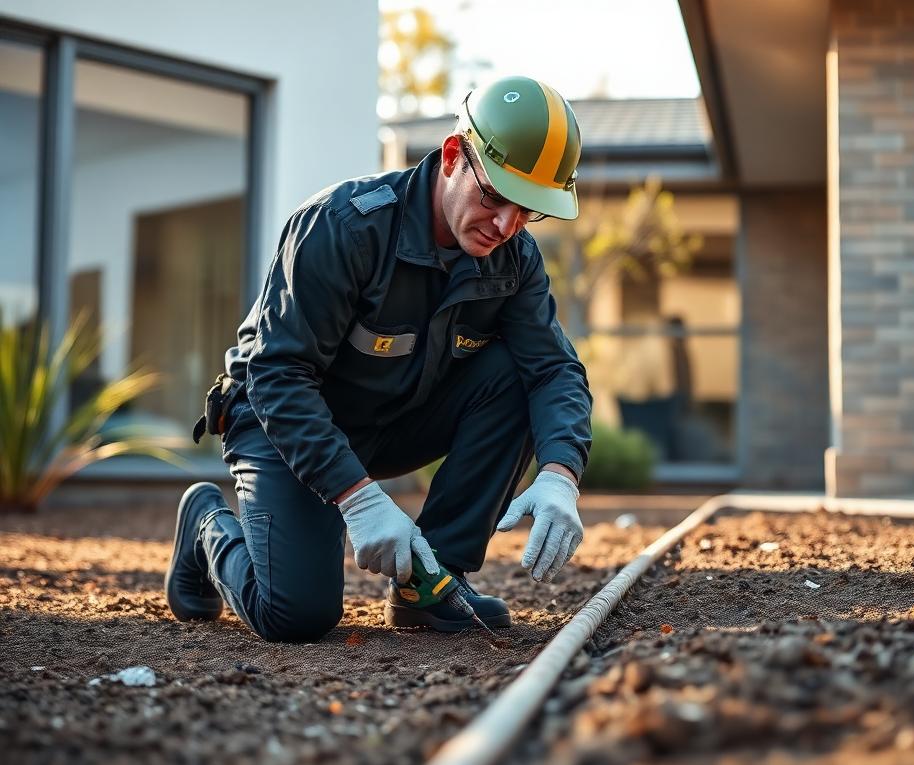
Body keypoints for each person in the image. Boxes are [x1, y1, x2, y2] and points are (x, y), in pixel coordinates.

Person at [164, 76, 593, 642]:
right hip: (283, 426)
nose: (506, 226)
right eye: (494, 196)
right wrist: (358, 497)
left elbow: (553, 370)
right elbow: (276, 375)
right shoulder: (343, 227)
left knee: (515, 373)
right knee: (296, 616)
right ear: (451, 157)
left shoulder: (513, 260)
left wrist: (561, 474)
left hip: (392, 422)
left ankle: (433, 584)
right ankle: (207, 525)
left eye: (528, 210)